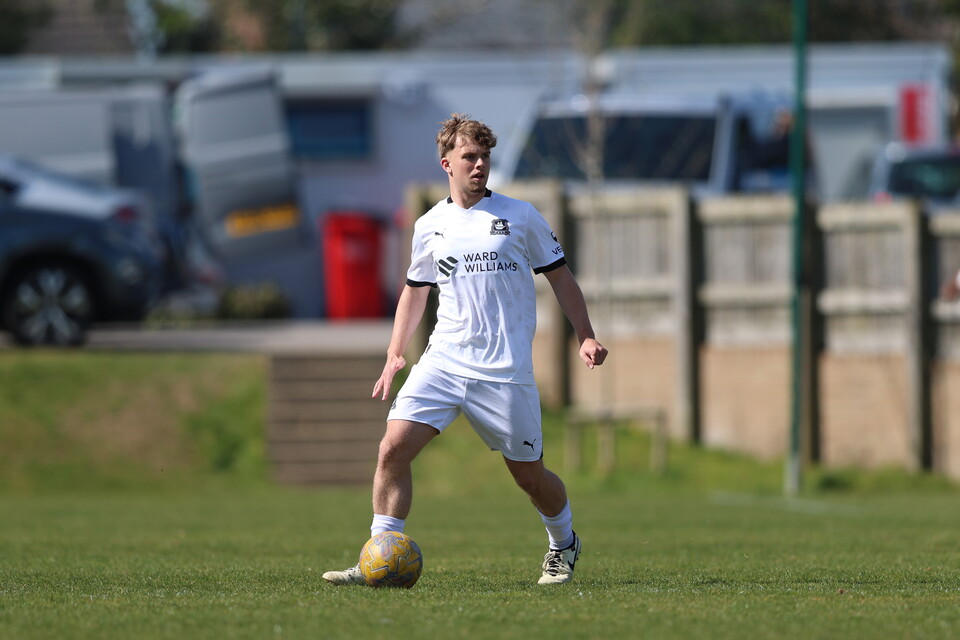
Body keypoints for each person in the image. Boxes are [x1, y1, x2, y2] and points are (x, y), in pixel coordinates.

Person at [322, 113, 608, 587]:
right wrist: (395, 352)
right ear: (447, 163)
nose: (479, 165)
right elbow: (415, 290)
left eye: (485, 156)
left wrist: (586, 335)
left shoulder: (520, 216)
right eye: (469, 156)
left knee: (529, 476)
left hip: (504, 371)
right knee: (392, 449)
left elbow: (561, 278)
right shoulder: (430, 225)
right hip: (444, 361)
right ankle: (378, 555)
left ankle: (563, 543)